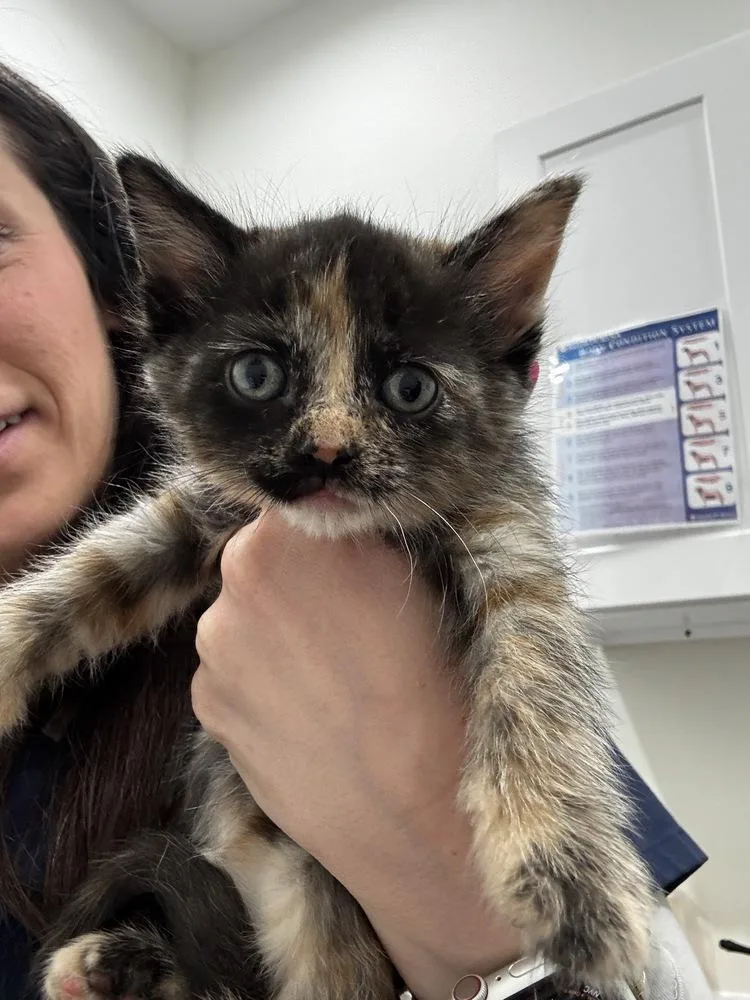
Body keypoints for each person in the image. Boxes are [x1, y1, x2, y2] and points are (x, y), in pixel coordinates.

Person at [0, 60, 712, 1000]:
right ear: (171, 315)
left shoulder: (471, 527)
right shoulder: (214, 496)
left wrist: (484, 892)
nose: (330, 442)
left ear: (109, 286)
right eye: (260, 376)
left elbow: (528, 613)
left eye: (408, 389)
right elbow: (127, 561)